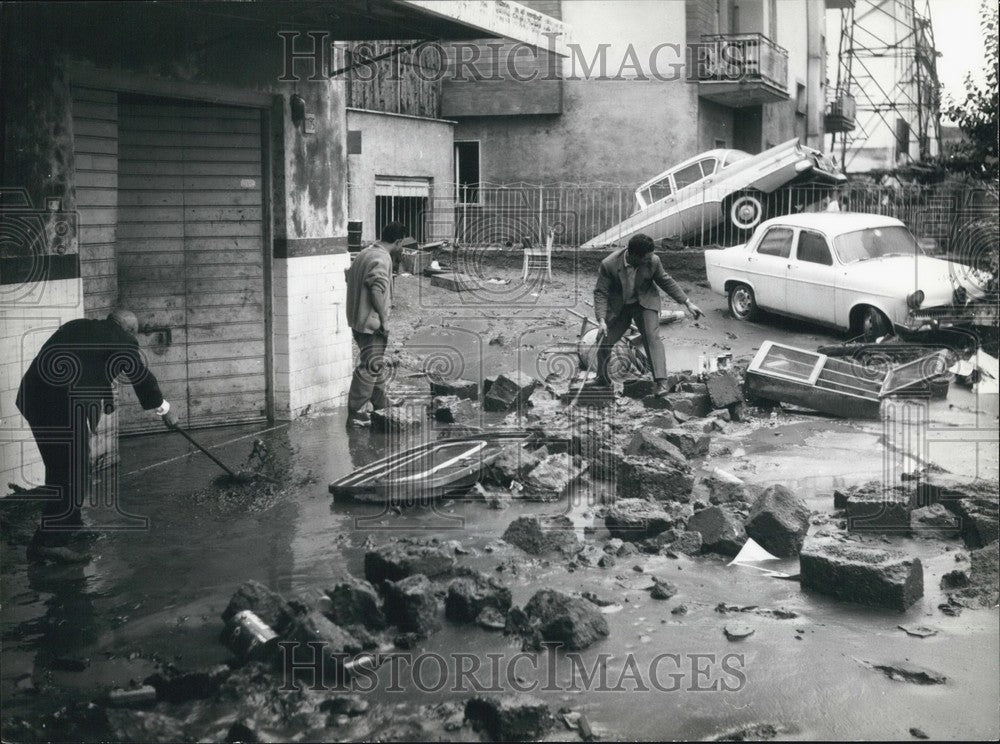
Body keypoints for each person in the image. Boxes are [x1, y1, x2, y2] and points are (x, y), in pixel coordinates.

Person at [16, 309, 178, 557]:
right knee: (72, 469)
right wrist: (164, 409)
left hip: (32, 396)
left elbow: (86, 364)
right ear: (130, 331)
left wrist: (104, 397)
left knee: (65, 467)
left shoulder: (79, 327)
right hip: (59, 403)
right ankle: (49, 544)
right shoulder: (122, 340)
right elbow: (140, 376)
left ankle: (69, 525)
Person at [593, 233, 703, 395]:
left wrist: (687, 302)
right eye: (646, 257)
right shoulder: (609, 264)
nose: (650, 259)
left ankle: (661, 382)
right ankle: (603, 378)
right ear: (633, 255)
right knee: (603, 340)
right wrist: (602, 320)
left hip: (644, 302)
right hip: (620, 308)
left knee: (651, 337)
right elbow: (601, 292)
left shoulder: (653, 261)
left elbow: (666, 281)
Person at [345, 221, 407, 427]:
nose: (402, 249)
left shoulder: (366, 252)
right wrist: (384, 319)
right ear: (397, 241)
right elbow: (376, 290)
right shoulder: (382, 258)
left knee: (375, 363)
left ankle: (382, 404)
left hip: (357, 320)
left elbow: (350, 276)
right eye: (402, 245)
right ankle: (356, 412)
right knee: (369, 367)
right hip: (371, 324)